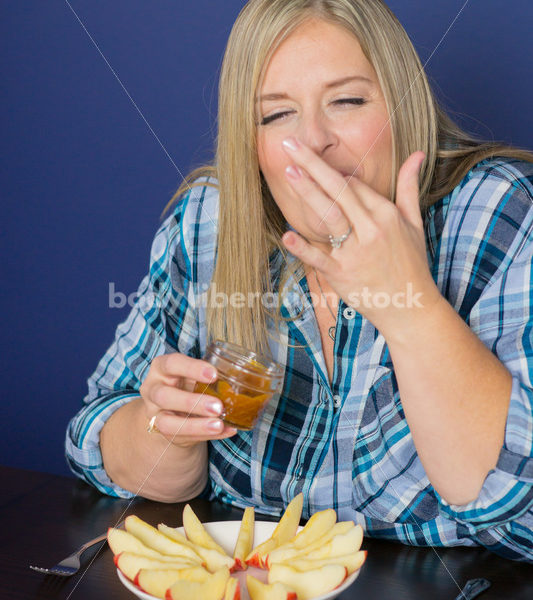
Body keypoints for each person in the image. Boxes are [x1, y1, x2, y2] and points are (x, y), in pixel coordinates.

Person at [65, 0, 533, 561]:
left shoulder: (498, 213)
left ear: (402, 107)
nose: (313, 141)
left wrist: (409, 309)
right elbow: (92, 435)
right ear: (252, 141)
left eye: (347, 101)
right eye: (276, 115)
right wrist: (163, 433)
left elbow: (513, 509)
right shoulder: (206, 222)